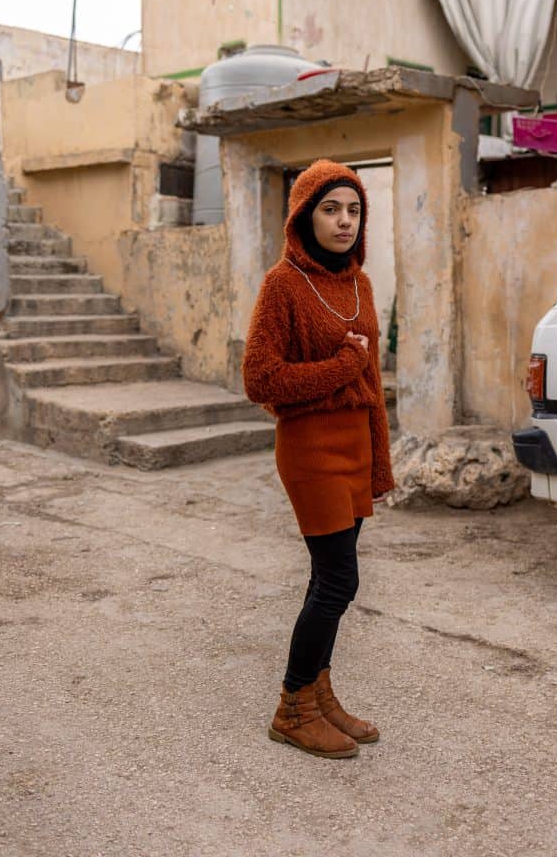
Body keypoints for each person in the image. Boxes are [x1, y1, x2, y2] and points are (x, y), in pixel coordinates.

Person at [242, 158, 395, 759]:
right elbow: (260, 379)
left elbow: (372, 383)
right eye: (331, 209)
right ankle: (292, 706)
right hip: (309, 445)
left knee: (325, 577)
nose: (344, 221)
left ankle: (319, 693)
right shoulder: (282, 284)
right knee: (339, 578)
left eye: (354, 210)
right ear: (305, 216)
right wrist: (340, 367)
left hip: (356, 441)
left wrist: (379, 464)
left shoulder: (361, 285)